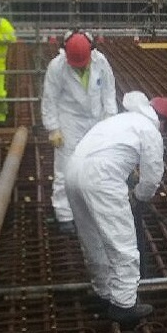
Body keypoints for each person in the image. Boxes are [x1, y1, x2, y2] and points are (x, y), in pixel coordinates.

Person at [64, 91, 167, 325]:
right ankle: (124, 304)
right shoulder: (149, 130)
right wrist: (138, 196)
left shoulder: (119, 120)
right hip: (101, 179)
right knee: (122, 244)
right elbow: (152, 177)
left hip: (72, 173)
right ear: (163, 122)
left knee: (92, 238)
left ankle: (104, 292)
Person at [41, 30, 118, 233]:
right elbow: (49, 99)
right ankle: (64, 213)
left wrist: (110, 117)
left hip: (96, 119)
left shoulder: (100, 61)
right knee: (65, 167)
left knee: (96, 164)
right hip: (70, 121)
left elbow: (109, 90)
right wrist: (53, 128)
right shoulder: (57, 67)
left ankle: (94, 208)